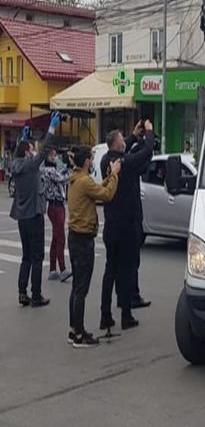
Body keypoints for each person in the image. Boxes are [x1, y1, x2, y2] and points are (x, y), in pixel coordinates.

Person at [100, 121, 155, 331]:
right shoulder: (125, 162)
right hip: (126, 225)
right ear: (116, 144)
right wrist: (148, 132)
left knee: (110, 270)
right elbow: (147, 151)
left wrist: (133, 136)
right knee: (127, 269)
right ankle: (126, 314)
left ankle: (105, 314)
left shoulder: (107, 160)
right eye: (123, 140)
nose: (126, 142)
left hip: (111, 224)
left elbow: (125, 152)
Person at [66, 147, 121, 347]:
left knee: (76, 288)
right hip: (83, 239)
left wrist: (108, 177)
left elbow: (97, 190)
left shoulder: (76, 179)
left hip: (74, 237)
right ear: (88, 161)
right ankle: (79, 335)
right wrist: (114, 175)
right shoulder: (84, 181)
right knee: (81, 289)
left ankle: (74, 330)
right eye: (91, 159)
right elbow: (106, 195)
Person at [10, 112, 60, 307]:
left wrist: (23, 139)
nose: (33, 150)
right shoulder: (31, 165)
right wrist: (51, 127)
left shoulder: (16, 165)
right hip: (34, 215)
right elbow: (45, 148)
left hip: (22, 218)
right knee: (37, 257)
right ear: (28, 153)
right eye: (30, 148)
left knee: (26, 257)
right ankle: (36, 294)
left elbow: (17, 153)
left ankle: (22, 293)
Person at [41, 147, 71, 282]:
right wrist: (72, 167)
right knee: (60, 238)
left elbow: (60, 174)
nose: (55, 158)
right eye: (52, 156)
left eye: (55, 155)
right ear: (46, 157)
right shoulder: (49, 170)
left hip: (55, 205)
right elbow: (63, 179)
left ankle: (53, 269)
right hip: (56, 205)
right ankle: (63, 268)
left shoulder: (50, 169)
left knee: (56, 237)